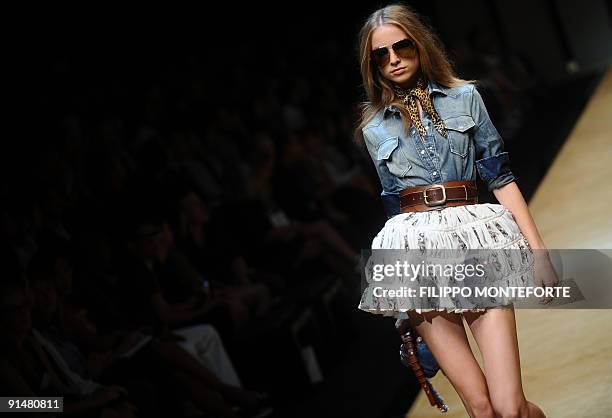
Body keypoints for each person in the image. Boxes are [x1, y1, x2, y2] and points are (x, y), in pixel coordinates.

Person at [354, 4, 559, 417]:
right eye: (382, 53)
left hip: (476, 243)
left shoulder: (465, 97)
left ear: (419, 45)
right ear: (372, 63)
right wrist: (401, 307)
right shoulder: (373, 128)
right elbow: (395, 210)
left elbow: (500, 176)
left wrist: (538, 251)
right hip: (418, 258)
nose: (393, 58)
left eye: (402, 46)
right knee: (482, 410)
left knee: (509, 406)